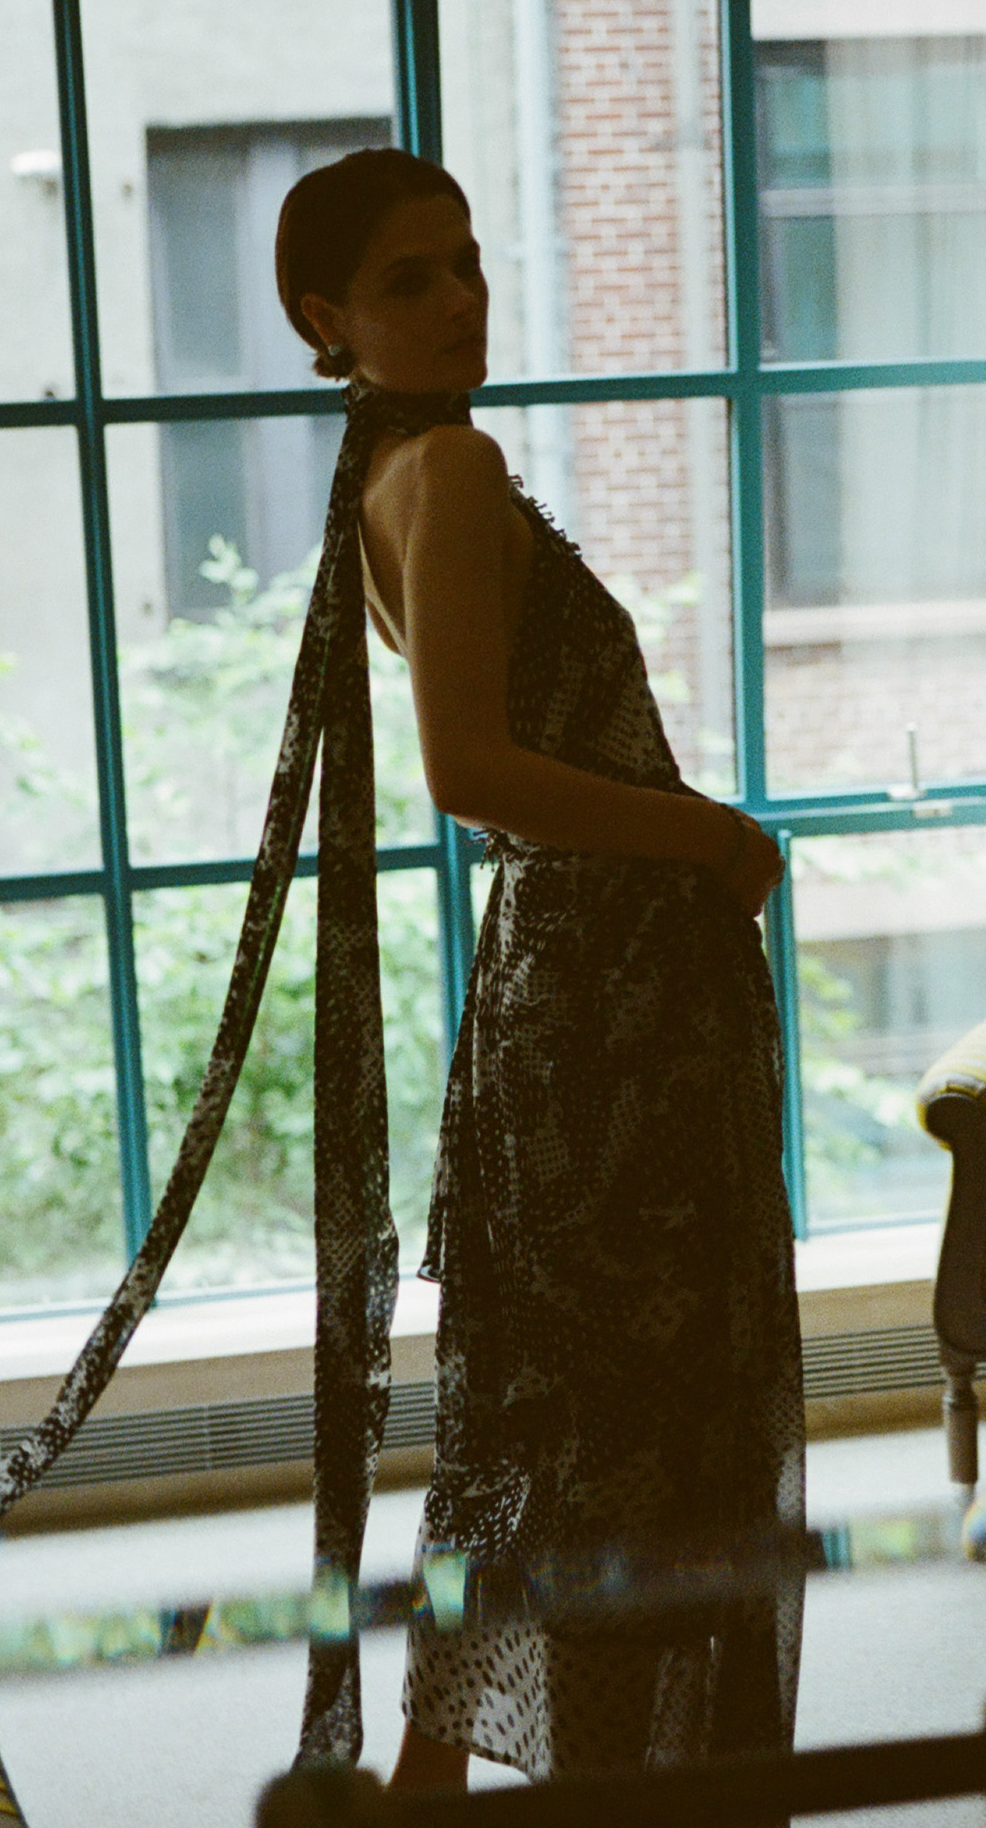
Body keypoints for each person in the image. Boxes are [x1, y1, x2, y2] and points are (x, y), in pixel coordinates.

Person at [276, 144, 803, 1788]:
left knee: (547, 1415)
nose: (460, 298)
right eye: (409, 278)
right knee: (624, 1430)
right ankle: (609, 1785)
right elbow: (472, 772)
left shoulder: (395, 467)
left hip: (578, 986)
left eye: (470, 260)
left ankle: (443, 1782)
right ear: (328, 316)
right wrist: (707, 834)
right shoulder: (440, 467)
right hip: (600, 1000)